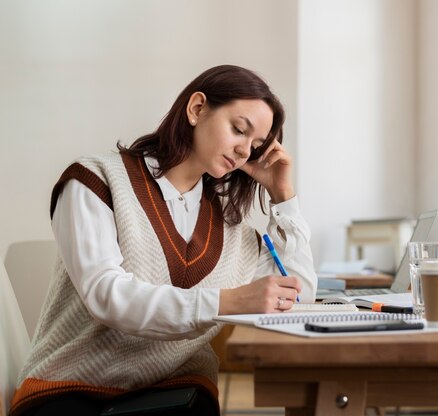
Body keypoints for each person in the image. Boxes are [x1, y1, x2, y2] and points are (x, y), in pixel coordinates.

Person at [10, 65, 316, 415]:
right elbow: (108, 297)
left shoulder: (233, 226)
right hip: (70, 390)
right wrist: (224, 302)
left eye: (256, 145)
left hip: (175, 391)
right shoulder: (95, 180)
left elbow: (300, 293)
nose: (245, 150)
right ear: (197, 108)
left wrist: (284, 196)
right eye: (238, 129)